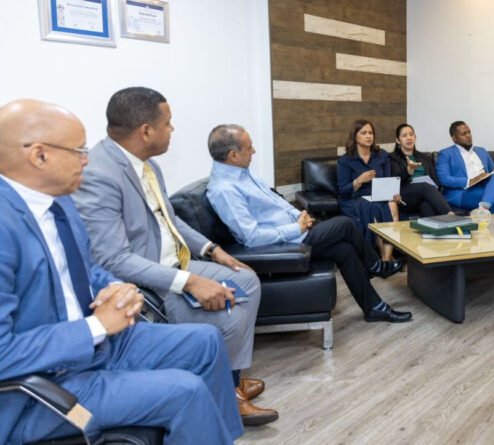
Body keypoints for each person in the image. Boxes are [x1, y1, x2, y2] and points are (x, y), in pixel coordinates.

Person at [0, 99, 243, 444]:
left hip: (98, 348)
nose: (87, 160)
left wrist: (116, 288)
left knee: (205, 341)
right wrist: (97, 326)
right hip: (40, 389)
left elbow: (89, 268)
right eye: (79, 151)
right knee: (184, 391)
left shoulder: (60, 201)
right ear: (39, 155)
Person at [72, 87, 277, 425]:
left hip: (176, 261)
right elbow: (113, 259)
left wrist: (212, 250)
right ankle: (226, 392)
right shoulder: (100, 174)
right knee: (230, 317)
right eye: (167, 123)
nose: (172, 129)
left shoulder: (147, 165)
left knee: (246, 279)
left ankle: (231, 380)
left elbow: (170, 218)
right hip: (149, 280)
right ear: (146, 131)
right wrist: (190, 281)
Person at [206, 124, 411, 323]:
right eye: (249, 147)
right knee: (345, 224)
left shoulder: (245, 175)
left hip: (297, 230)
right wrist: (297, 228)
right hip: (284, 243)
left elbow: (277, 201)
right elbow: (251, 237)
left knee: (344, 250)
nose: (254, 151)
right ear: (233, 155)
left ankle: (374, 308)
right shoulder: (224, 190)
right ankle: (377, 265)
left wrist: (300, 214)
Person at [337, 119, 400, 262]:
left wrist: (393, 195)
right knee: (374, 207)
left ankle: (386, 258)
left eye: (370, 133)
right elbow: (343, 191)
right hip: (354, 199)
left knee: (392, 204)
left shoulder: (382, 155)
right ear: (355, 136)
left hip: (377, 196)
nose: (368, 136)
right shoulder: (345, 160)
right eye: (364, 133)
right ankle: (384, 258)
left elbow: (387, 181)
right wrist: (358, 181)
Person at [436, 121, 494, 213]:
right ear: (454, 138)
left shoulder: (482, 151)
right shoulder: (445, 154)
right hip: (463, 192)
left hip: (484, 187)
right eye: (464, 134)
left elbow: (492, 172)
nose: (468, 136)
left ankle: (483, 208)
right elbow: (444, 179)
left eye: (469, 132)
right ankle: (485, 207)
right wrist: (469, 181)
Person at [389, 123, 452, 217]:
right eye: (404, 135)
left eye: (411, 134)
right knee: (424, 186)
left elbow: (435, 181)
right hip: (404, 197)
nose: (409, 138)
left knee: (427, 206)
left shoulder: (425, 157)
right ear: (398, 140)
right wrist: (408, 170)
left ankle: (434, 226)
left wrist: (434, 189)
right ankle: (451, 215)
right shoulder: (392, 158)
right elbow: (394, 181)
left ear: (415, 137)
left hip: (425, 194)